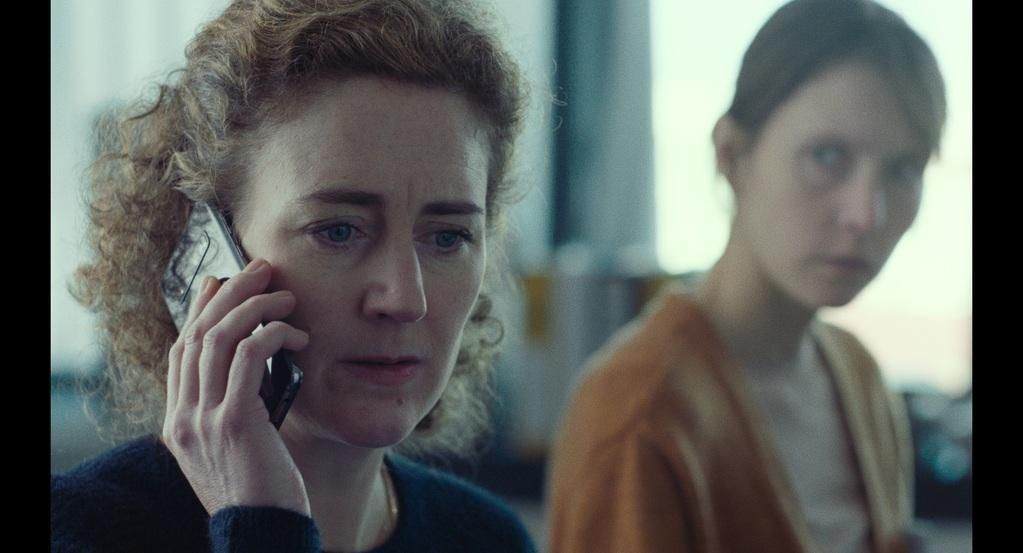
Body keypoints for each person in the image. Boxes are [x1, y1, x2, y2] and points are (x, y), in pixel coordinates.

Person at [51, 1, 535, 552]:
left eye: (448, 237)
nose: (405, 299)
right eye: (338, 231)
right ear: (205, 249)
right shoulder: (83, 531)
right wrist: (262, 526)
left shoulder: (488, 539)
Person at [547, 0, 945, 552]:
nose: (865, 214)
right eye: (827, 156)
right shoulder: (639, 410)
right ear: (732, 155)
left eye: (903, 169)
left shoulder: (857, 375)